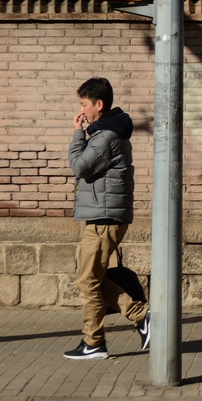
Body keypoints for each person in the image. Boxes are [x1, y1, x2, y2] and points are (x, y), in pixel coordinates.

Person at [63, 77, 150, 360]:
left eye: (84, 104)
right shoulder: (106, 133)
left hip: (104, 218)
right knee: (93, 278)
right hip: (105, 215)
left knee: (87, 280)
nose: (82, 111)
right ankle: (141, 320)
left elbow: (80, 167)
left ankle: (95, 342)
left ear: (98, 104)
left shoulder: (105, 137)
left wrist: (77, 134)